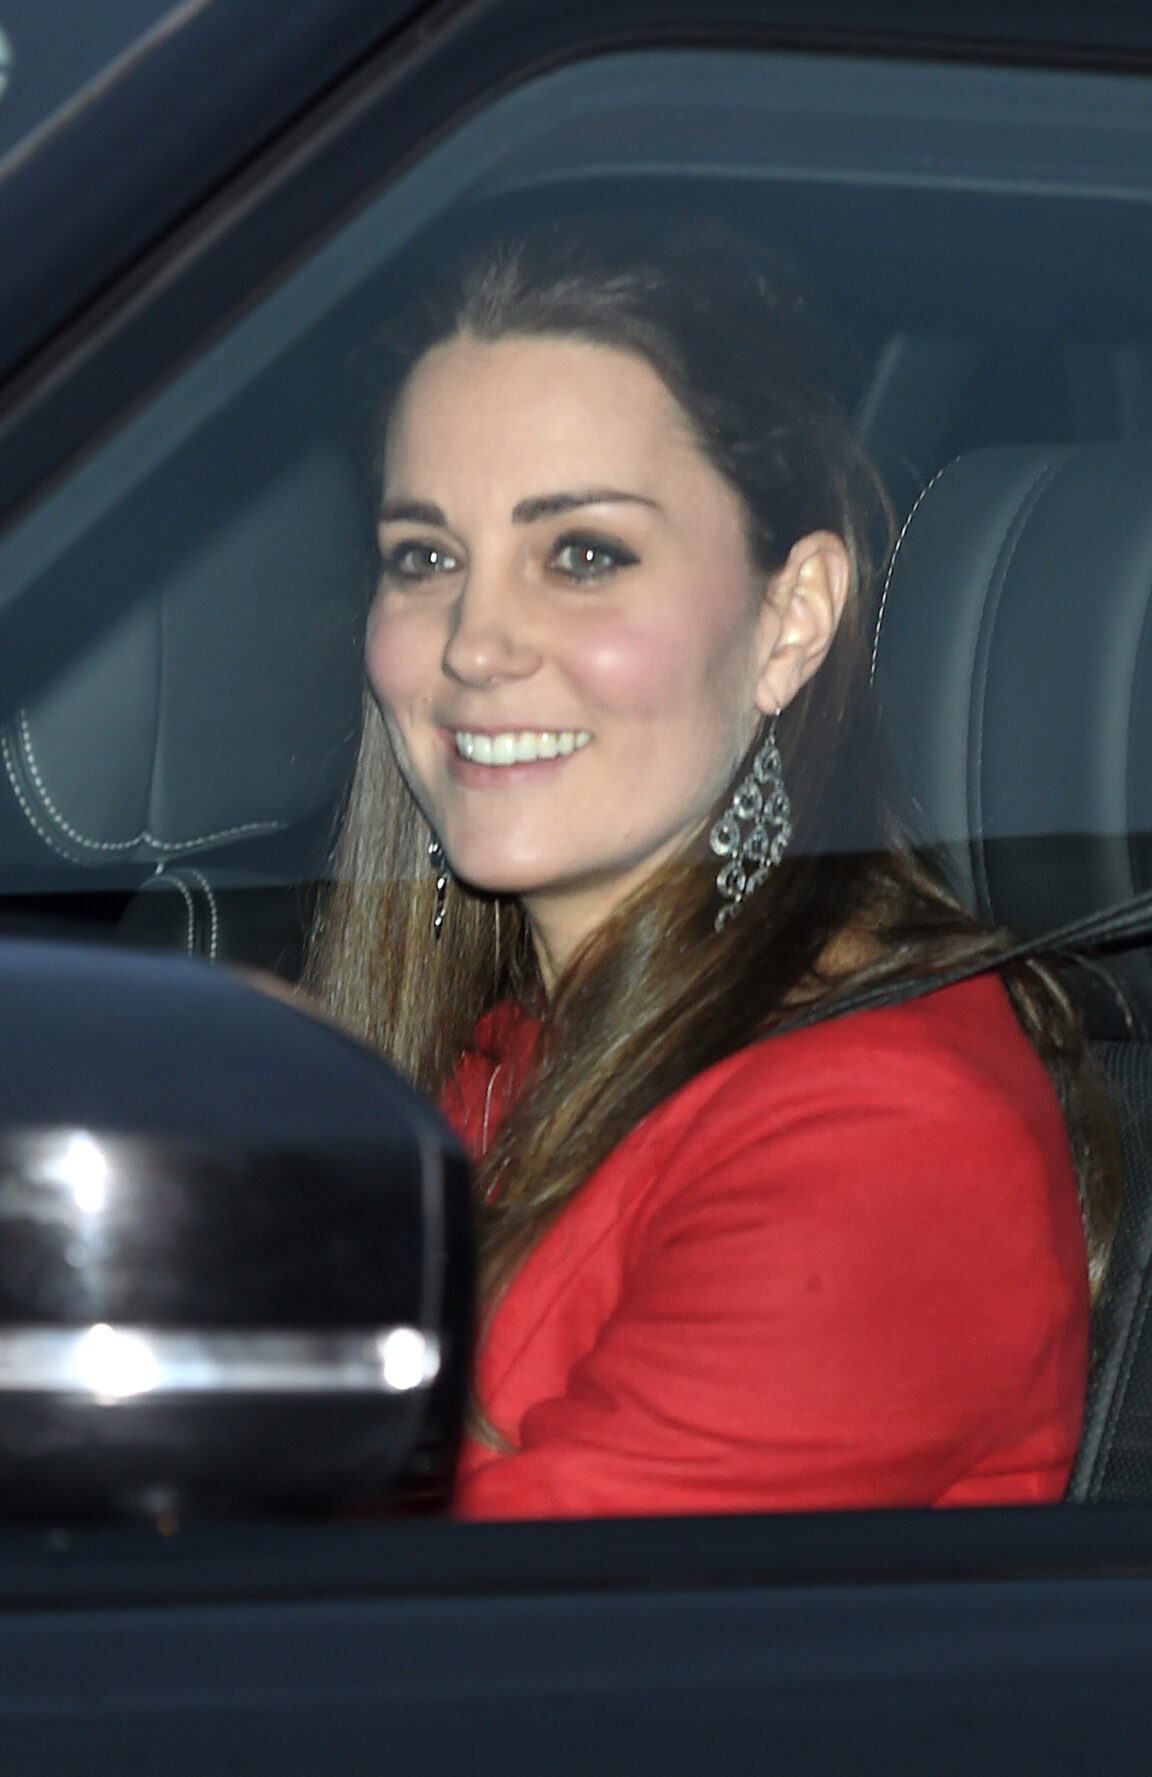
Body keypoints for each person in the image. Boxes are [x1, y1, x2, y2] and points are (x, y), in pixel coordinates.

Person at [300, 218, 1120, 1519]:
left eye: (583, 555)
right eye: (427, 556)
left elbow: (455, 1624)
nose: (474, 643)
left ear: (790, 622)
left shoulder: (885, 1136)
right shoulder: (494, 1058)